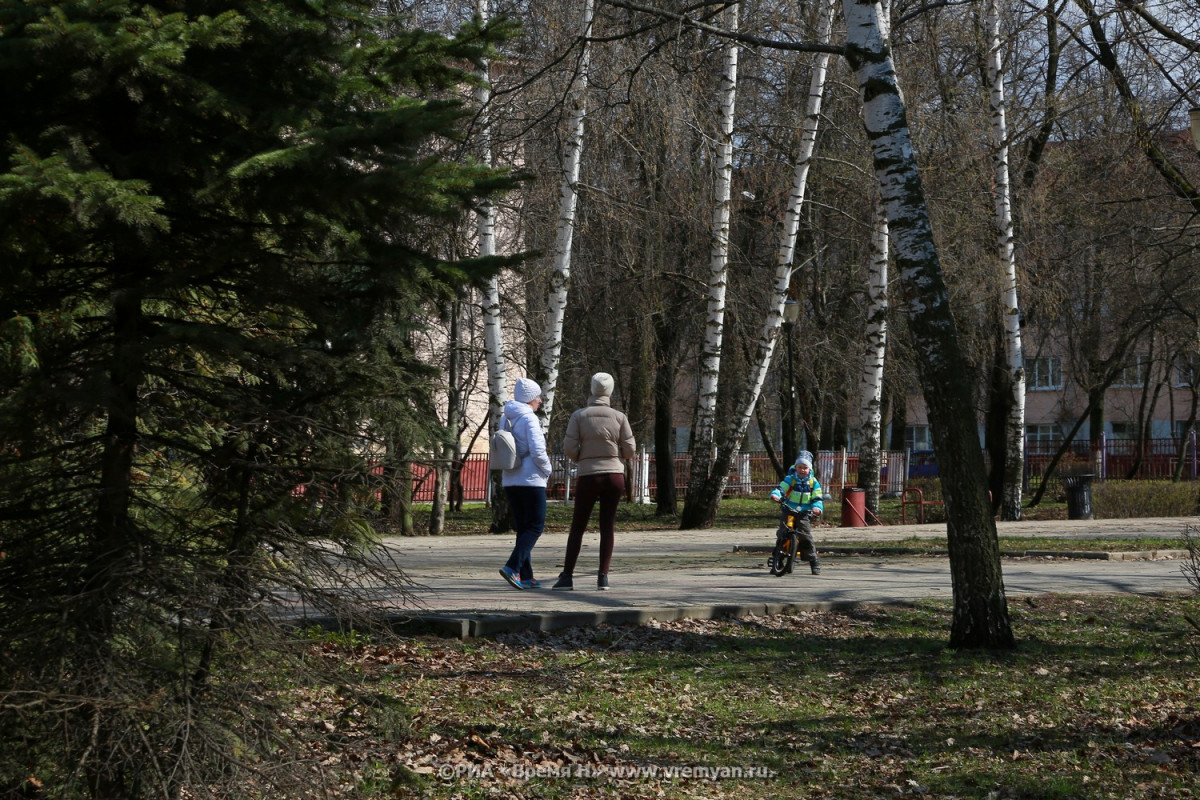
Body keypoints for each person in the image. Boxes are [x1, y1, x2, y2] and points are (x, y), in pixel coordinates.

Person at [552, 372, 636, 591]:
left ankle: (567, 576)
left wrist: (582, 457)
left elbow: (569, 447)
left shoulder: (579, 416)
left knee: (578, 526)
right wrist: (618, 456)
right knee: (607, 526)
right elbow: (630, 449)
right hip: (614, 476)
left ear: (592, 389)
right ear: (610, 391)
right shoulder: (619, 417)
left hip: (589, 475)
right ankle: (603, 577)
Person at [498, 377, 553, 590]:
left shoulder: (506, 417)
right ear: (530, 398)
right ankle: (512, 567)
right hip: (531, 480)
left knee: (523, 528)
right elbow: (538, 451)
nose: (540, 400)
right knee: (536, 526)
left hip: (510, 479)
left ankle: (526, 576)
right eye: (537, 396)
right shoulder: (529, 419)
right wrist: (547, 470)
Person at [770, 449, 824, 574]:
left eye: (805, 467)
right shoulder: (791, 479)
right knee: (782, 533)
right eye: (799, 467)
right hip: (788, 509)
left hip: (805, 511)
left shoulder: (813, 482)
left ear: (810, 469)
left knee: (805, 535)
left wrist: (817, 508)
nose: (802, 470)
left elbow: (817, 497)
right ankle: (778, 558)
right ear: (796, 467)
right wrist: (776, 495)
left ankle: (813, 560)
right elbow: (782, 487)